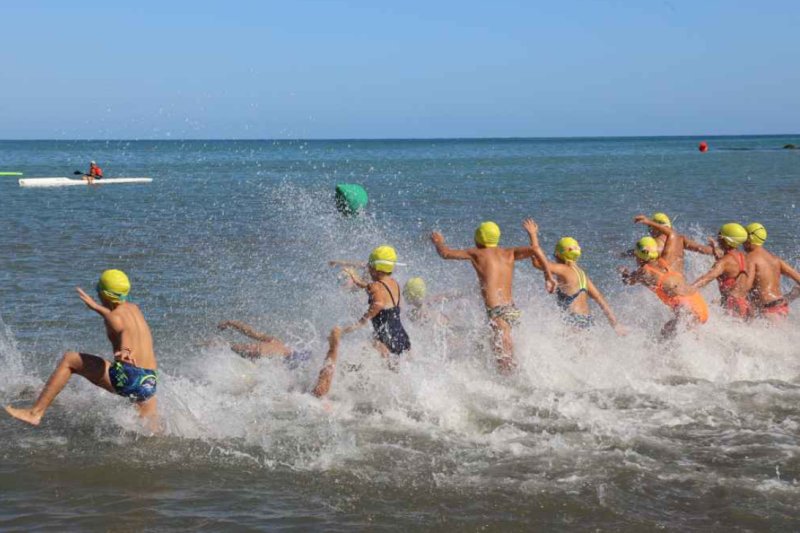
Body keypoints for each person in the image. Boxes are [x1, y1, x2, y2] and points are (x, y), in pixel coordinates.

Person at [5, 270, 158, 426]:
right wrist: (96, 307)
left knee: (69, 359)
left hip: (129, 376)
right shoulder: (134, 309)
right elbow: (118, 319)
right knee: (148, 424)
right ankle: (156, 435)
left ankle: (34, 413)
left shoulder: (115, 318)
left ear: (104, 294)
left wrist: (124, 351)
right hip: (149, 379)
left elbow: (122, 330)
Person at [430, 219, 556, 373]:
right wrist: (548, 276)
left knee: (504, 362)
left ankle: (512, 389)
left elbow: (445, 253)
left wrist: (438, 242)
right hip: (512, 310)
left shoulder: (476, 253)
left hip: (497, 313)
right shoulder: (509, 252)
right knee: (506, 352)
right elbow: (536, 249)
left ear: (478, 239)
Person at [527, 227, 626, 335]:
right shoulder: (582, 275)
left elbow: (537, 263)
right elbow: (600, 299)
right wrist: (615, 324)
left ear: (559, 256)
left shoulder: (564, 269)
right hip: (587, 321)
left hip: (573, 321)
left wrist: (533, 235)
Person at [620, 237, 709, 339]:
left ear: (639, 257)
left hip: (685, 309)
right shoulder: (666, 260)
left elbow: (628, 281)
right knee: (687, 337)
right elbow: (672, 234)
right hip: (699, 304)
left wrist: (624, 272)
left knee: (665, 336)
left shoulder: (644, 271)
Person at [340, 246, 411, 362]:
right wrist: (357, 281)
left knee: (359, 355)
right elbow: (370, 288)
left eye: (370, 266)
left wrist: (361, 321)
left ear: (376, 268)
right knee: (396, 368)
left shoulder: (376, 286)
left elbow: (378, 303)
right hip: (401, 335)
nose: (368, 269)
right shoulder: (394, 284)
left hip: (386, 338)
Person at [691, 223, 754, 319]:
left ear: (726, 240)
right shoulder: (743, 257)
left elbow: (708, 278)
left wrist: (688, 289)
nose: (718, 238)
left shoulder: (724, 262)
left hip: (733, 307)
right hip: (745, 305)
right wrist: (715, 247)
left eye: (720, 235)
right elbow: (728, 268)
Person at [743, 223, 800, 320]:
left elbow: (745, 287)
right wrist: (790, 297)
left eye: (744, 238)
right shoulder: (775, 259)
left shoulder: (750, 259)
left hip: (768, 310)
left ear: (749, 239)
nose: (742, 242)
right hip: (782, 306)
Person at [633, 213, 715, 273]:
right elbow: (704, 250)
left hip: (666, 289)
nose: (649, 231)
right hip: (681, 284)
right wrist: (717, 250)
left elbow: (641, 254)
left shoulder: (655, 246)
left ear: (656, 228)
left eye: (650, 227)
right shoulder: (680, 239)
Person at [217, 320, 313, 368]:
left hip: (267, 352)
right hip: (265, 354)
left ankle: (210, 343)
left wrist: (231, 323)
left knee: (226, 346)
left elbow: (251, 332)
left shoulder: (276, 342)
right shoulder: (287, 358)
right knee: (228, 346)